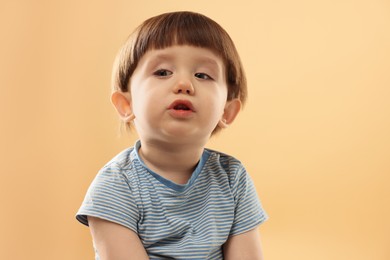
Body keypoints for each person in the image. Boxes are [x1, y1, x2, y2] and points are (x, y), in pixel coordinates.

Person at [76, 11, 268, 260]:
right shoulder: (115, 187)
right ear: (127, 104)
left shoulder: (232, 180)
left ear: (227, 111)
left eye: (202, 75)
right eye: (163, 72)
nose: (184, 84)